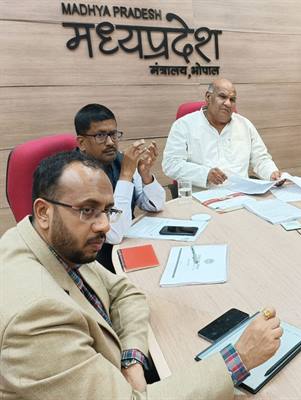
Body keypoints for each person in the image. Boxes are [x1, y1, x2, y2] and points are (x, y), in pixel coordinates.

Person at [0, 151, 282, 399]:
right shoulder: (35, 315)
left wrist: (131, 360)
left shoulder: (51, 241)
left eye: (108, 210)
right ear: (43, 211)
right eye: (87, 210)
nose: (104, 225)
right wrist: (239, 358)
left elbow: (126, 293)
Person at [75, 103, 166, 272]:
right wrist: (126, 175)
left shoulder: (120, 160)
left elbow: (156, 205)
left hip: (127, 242)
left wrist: (146, 175)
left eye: (113, 134)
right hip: (95, 259)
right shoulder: (75, 176)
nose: (110, 142)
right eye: (101, 136)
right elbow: (112, 235)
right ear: (82, 143)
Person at [162, 78, 281, 189]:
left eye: (232, 100)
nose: (228, 103)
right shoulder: (184, 125)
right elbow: (171, 164)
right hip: (202, 196)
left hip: (241, 194)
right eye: (222, 97)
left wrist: (272, 173)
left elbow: (261, 159)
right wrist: (205, 174)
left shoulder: (245, 124)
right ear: (208, 97)